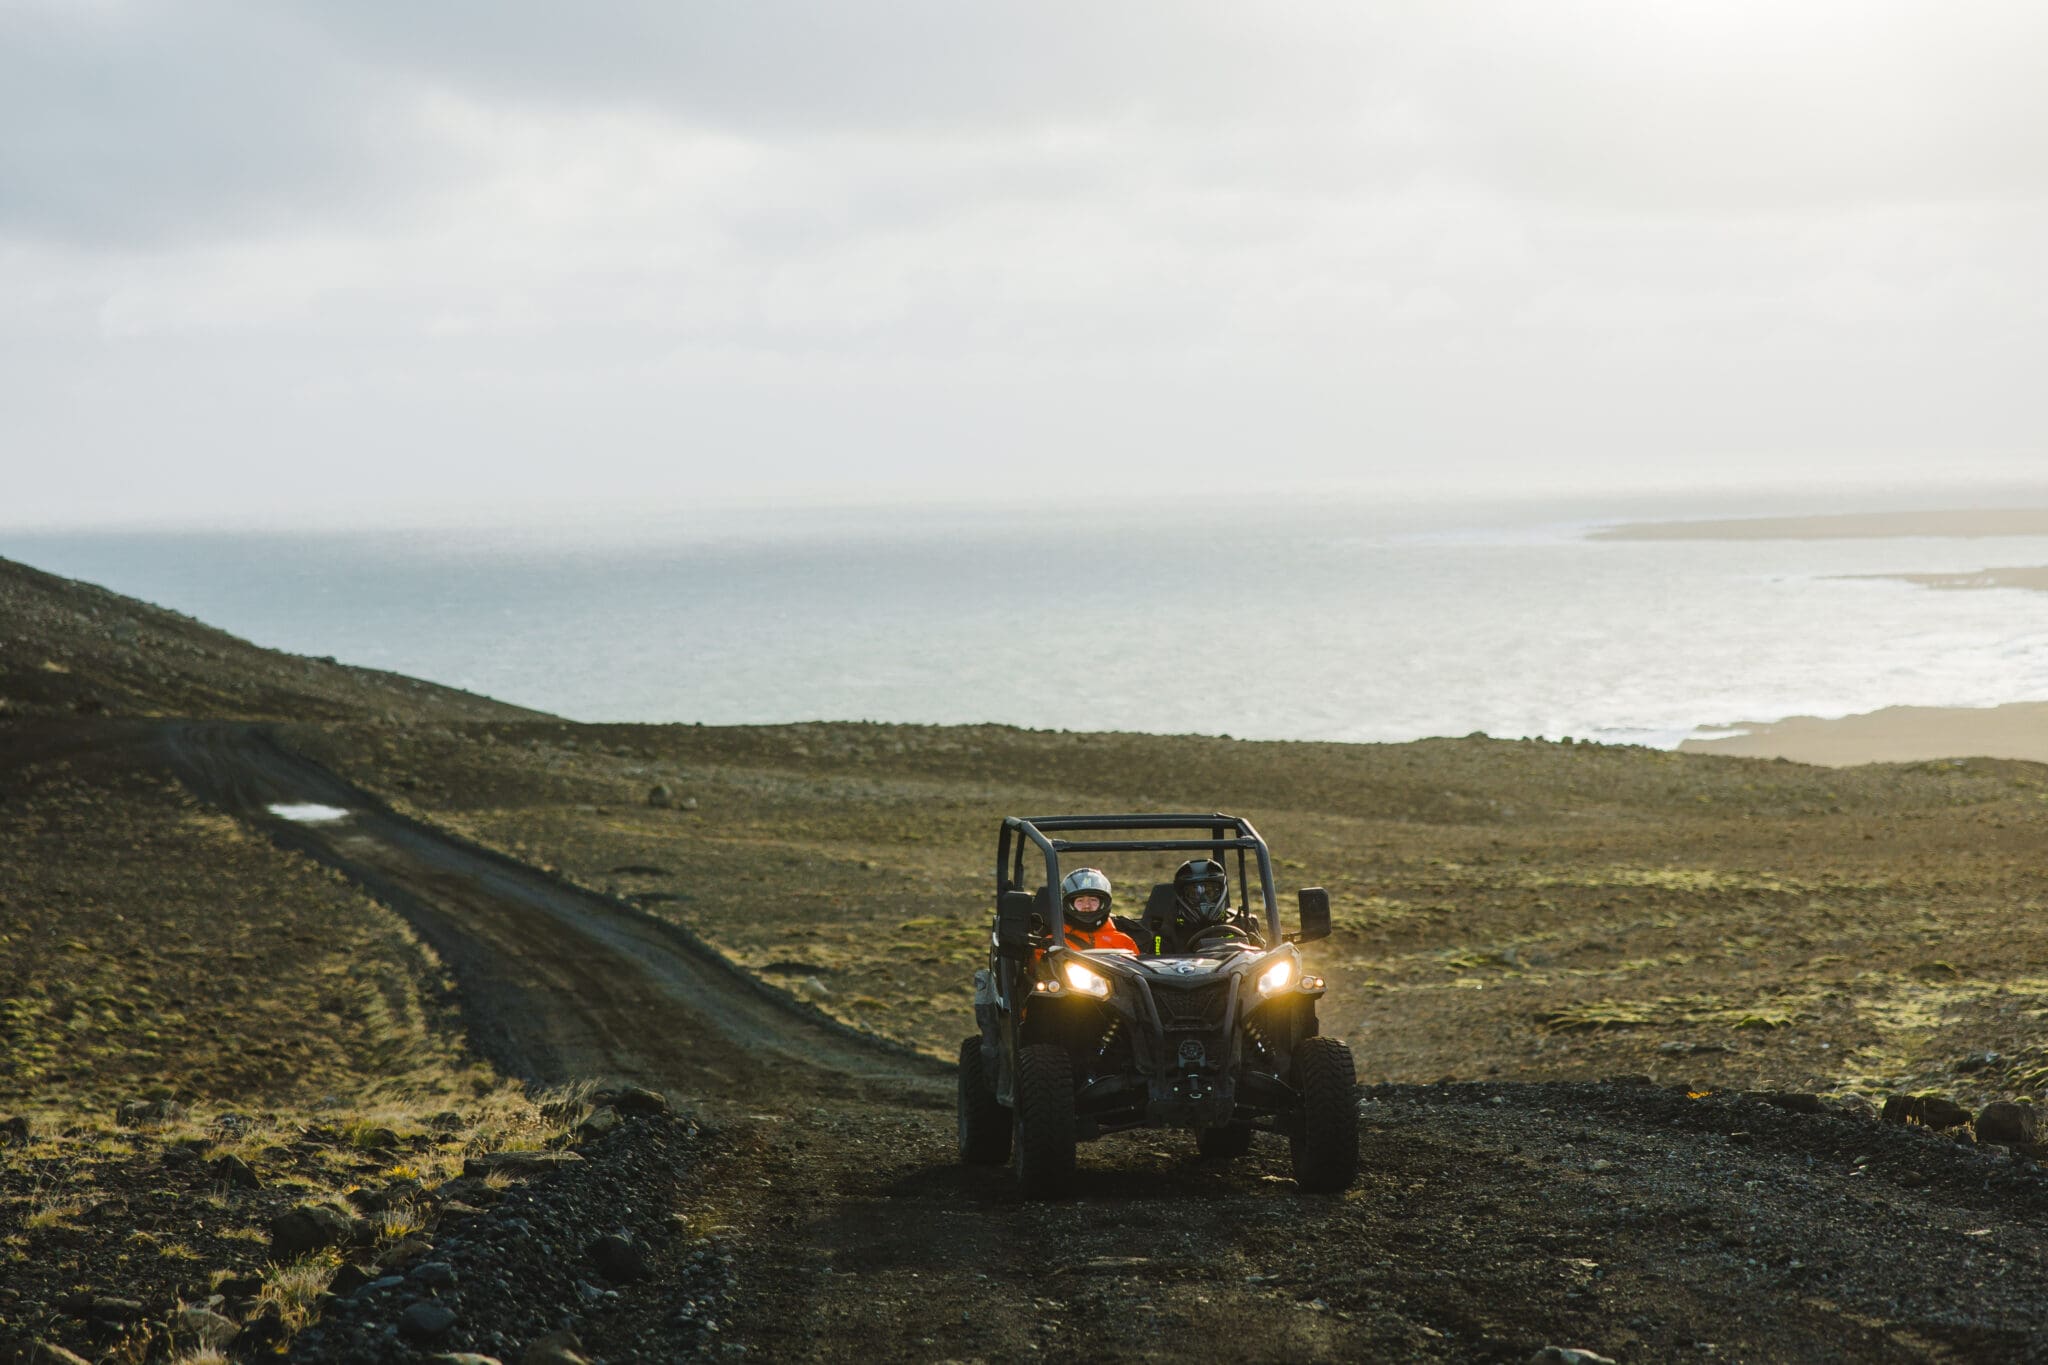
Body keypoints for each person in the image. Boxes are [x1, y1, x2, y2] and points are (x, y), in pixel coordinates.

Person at [1053, 867, 1138, 953]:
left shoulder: (1124, 942)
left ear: (1103, 904)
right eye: (1080, 901)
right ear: (1070, 905)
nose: (1087, 905)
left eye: (1093, 900)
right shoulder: (1054, 943)